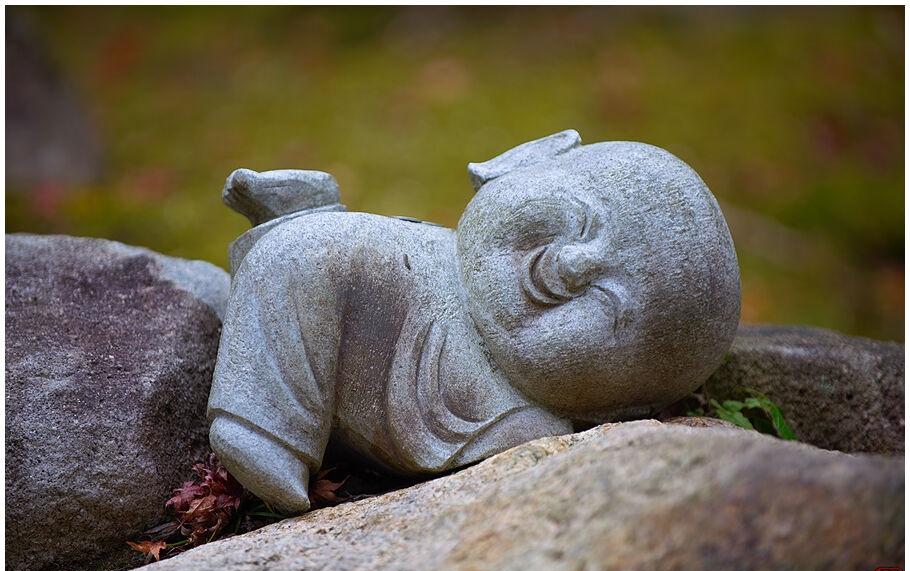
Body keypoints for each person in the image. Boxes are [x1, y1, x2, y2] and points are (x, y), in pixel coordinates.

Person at [207, 130, 741, 513]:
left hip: (442, 399)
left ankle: (265, 431)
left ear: (617, 405)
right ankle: (270, 411)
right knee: (300, 256)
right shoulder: (439, 253)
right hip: (351, 293)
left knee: (299, 253)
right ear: (526, 162)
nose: (573, 265)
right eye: (583, 222)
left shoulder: (524, 420)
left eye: (608, 307)